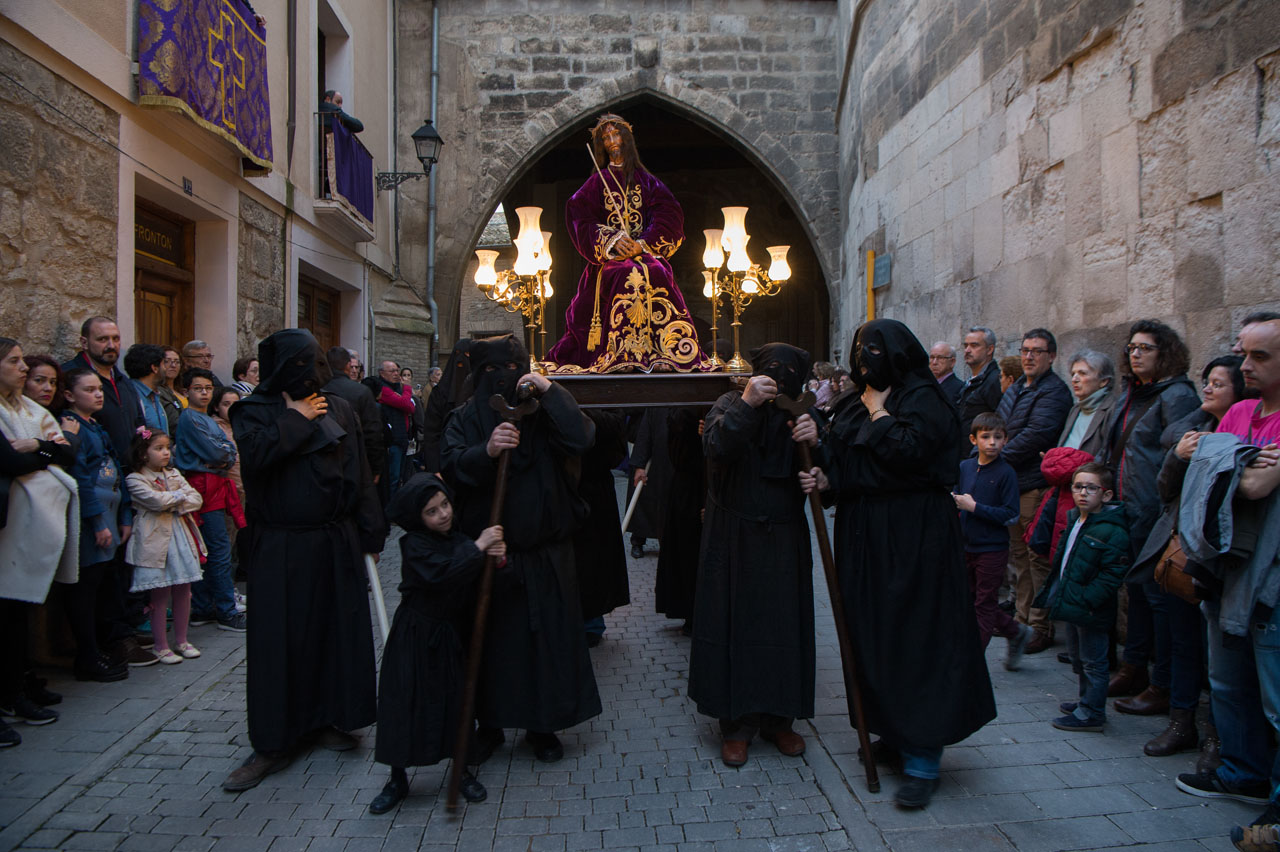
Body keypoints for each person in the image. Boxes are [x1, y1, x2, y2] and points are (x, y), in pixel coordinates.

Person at [802, 319, 995, 810]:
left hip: (916, 535)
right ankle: (889, 730)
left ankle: (924, 753)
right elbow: (845, 464)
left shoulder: (924, 400)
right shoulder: (855, 400)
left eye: (876, 351)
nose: (867, 361)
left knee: (917, 636)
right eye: (859, 351)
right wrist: (824, 475)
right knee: (871, 632)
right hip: (864, 535)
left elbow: (913, 454)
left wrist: (881, 414)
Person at [224, 328, 387, 792]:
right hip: (281, 545)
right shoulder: (252, 411)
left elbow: (357, 472)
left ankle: (330, 718)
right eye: (301, 365)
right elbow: (255, 459)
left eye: (318, 363)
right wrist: (293, 419)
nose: (313, 376)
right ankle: (274, 742)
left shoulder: (339, 407)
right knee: (282, 641)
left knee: (334, 632)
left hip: (335, 540)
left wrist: (370, 530)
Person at [440, 334, 600, 764]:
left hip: (544, 551)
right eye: (491, 372)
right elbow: (450, 465)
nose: (502, 380)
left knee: (544, 642)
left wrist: (550, 390)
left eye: (510, 371)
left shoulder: (544, 414)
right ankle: (489, 724)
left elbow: (582, 436)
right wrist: (486, 451)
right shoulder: (464, 418)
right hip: (491, 550)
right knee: (489, 640)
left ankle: (541, 724)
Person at [689, 343, 817, 768]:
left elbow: (825, 471)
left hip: (783, 536)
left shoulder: (802, 410)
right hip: (734, 534)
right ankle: (736, 724)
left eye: (789, 369)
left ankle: (779, 719)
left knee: (784, 625)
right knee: (733, 624)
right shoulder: (730, 400)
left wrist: (818, 449)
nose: (780, 375)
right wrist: (747, 402)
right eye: (772, 369)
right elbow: (716, 445)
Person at [1174, 318, 1280, 832]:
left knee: (1274, 693)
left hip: (1269, 575)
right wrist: (1235, 461)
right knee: (1226, 681)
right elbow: (1212, 469)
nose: (1245, 367)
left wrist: (1222, 460)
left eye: (1259, 357)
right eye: (1244, 354)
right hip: (1223, 564)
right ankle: (1242, 773)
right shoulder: (1239, 410)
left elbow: (1252, 485)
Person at [1130, 355, 1245, 759]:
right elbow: (1165, 490)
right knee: (1181, 641)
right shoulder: (1194, 430)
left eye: (1218, 383)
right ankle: (1181, 722)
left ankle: (1215, 736)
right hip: (1182, 551)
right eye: (1207, 381)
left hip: (1221, 557)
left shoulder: (1245, 436)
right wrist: (1178, 456)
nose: (1208, 389)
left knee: (1219, 654)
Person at [369, 474, 500, 814]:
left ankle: (462, 771)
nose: (442, 514)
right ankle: (397, 778)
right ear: (418, 517)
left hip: (449, 636)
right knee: (403, 702)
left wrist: (496, 557)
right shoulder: (413, 545)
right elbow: (442, 574)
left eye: (445, 505)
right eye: (432, 511)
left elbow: (476, 573)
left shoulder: (458, 539)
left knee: (456, 702)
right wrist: (479, 547)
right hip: (415, 635)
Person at [546, 113, 709, 373]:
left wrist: (642, 244)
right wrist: (612, 240)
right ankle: (618, 352)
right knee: (622, 271)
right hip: (609, 261)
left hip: (644, 253)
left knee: (655, 270)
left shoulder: (647, 181)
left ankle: (666, 350)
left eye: (616, 134)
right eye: (606, 137)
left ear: (627, 138)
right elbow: (579, 216)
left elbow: (670, 213)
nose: (612, 141)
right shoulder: (596, 184)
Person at [1103, 320, 1200, 712]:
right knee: (1137, 593)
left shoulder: (1177, 396)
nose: (1136, 354)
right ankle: (1133, 667)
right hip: (1126, 505)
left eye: (1145, 348)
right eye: (1132, 348)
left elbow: (1174, 456)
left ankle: (1162, 684)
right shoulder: (1133, 393)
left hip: (1155, 511)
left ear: (1165, 353)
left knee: (1157, 598)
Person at [0, 339, 78, 745]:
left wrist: (39, 446)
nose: (22, 369)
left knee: (16, 615)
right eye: (14, 362)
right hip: (6, 524)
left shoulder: (29, 412)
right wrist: (48, 449)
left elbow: (68, 454)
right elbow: (9, 461)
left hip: (26, 529)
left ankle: (15, 687)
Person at [1034, 462, 1129, 733]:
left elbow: (1112, 574)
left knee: (1094, 661)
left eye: (1091, 488)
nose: (1083, 493)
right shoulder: (1076, 518)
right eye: (1078, 487)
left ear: (1106, 494)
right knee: (1078, 658)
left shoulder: (1113, 530)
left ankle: (1092, 711)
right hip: (1072, 602)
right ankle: (1084, 700)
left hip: (1090, 608)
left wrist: (1088, 599)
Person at [60, 368, 141, 677]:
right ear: (70, 395)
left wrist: (123, 514)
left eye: (100, 390)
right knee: (85, 590)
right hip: (92, 519)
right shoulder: (72, 427)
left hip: (111, 514)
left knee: (103, 587)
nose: (98, 395)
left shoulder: (97, 427)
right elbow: (81, 478)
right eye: (89, 390)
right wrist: (97, 522)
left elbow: (116, 473)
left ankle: (99, 649)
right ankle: (87, 655)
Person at [997, 328, 1072, 654]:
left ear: (1051, 356)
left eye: (1037, 351)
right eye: (1026, 350)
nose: (1029, 356)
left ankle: (1039, 625)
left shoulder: (1054, 392)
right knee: (1019, 557)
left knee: (1036, 558)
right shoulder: (1016, 389)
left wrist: (993, 456)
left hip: (1033, 485)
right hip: (1010, 484)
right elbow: (999, 426)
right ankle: (1022, 619)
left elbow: (1036, 434)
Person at [953, 412, 1032, 662]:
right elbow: (956, 495)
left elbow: (1010, 515)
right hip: (966, 545)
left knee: (984, 604)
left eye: (998, 437)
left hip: (992, 549)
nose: (992, 443)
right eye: (985, 437)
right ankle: (1016, 631)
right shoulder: (965, 467)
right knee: (971, 599)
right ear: (973, 440)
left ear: (1006, 440)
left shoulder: (1006, 473)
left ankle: (972, 661)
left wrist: (975, 508)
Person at [124, 428, 205, 665]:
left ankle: (182, 640)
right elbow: (155, 501)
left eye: (167, 448)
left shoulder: (174, 475)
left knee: (184, 589)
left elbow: (196, 498)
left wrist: (174, 498)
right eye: (158, 448)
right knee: (160, 594)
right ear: (142, 453)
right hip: (154, 539)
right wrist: (179, 498)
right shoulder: (136, 479)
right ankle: (161, 645)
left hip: (179, 534)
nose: (165, 453)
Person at [175, 369, 245, 633]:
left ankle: (204, 607)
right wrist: (222, 453)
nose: (204, 393)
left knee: (211, 547)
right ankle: (226, 609)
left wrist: (223, 452)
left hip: (214, 484)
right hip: (203, 486)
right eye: (197, 388)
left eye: (207, 388)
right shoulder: (191, 419)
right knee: (217, 549)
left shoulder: (205, 419)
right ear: (186, 391)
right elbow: (218, 450)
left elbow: (226, 451)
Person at [574, 409, 630, 647]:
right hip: (568, 487)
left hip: (594, 490)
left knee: (593, 559)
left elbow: (616, 432)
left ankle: (590, 621)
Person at [654, 407, 707, 634]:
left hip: (696, 487)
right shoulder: (685, 413)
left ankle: (694, 612)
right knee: (687, 552)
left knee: (690, 552)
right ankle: (691, 611)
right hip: (688, 487)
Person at [323, 346, 386, 483]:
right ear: (347, 365)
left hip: (324, 463)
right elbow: (373, 432)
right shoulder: (361, 392)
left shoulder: (318, 388)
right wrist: (375, 467)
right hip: (354, 461)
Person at [365, 360, 415, 500]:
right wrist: (407, 388)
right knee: (392, 477)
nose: (396, 374)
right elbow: (405, 403)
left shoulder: (396, 388)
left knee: (400, 476)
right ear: (382, 373)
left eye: (396, 371)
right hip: (393, 440)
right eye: (391, 371)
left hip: (403, 438)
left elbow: (411, 408)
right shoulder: (384, 390)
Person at [626, 407, 672, 558]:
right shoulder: (656, 406)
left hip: (671, 459)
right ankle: (638, 540)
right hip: (654, 451)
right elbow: (645, 433)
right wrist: (639, 465)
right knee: (643, 496)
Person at [957, 327, 1005, 442]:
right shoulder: (970, 381)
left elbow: (1000, 421)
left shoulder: (994, 380)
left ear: (990, 349)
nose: (967, 350)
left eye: (974, 345)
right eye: (966, 346)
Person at [124, 344, 172, 437]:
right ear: (154, 368)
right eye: (164, 364)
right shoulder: (131, 395)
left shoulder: (155, 395)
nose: (166, 369)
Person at [155, 347, 185, 436]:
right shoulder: (157, 391)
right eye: (167, 361)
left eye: (177, 362)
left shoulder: (184, 390)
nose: (173, 365)